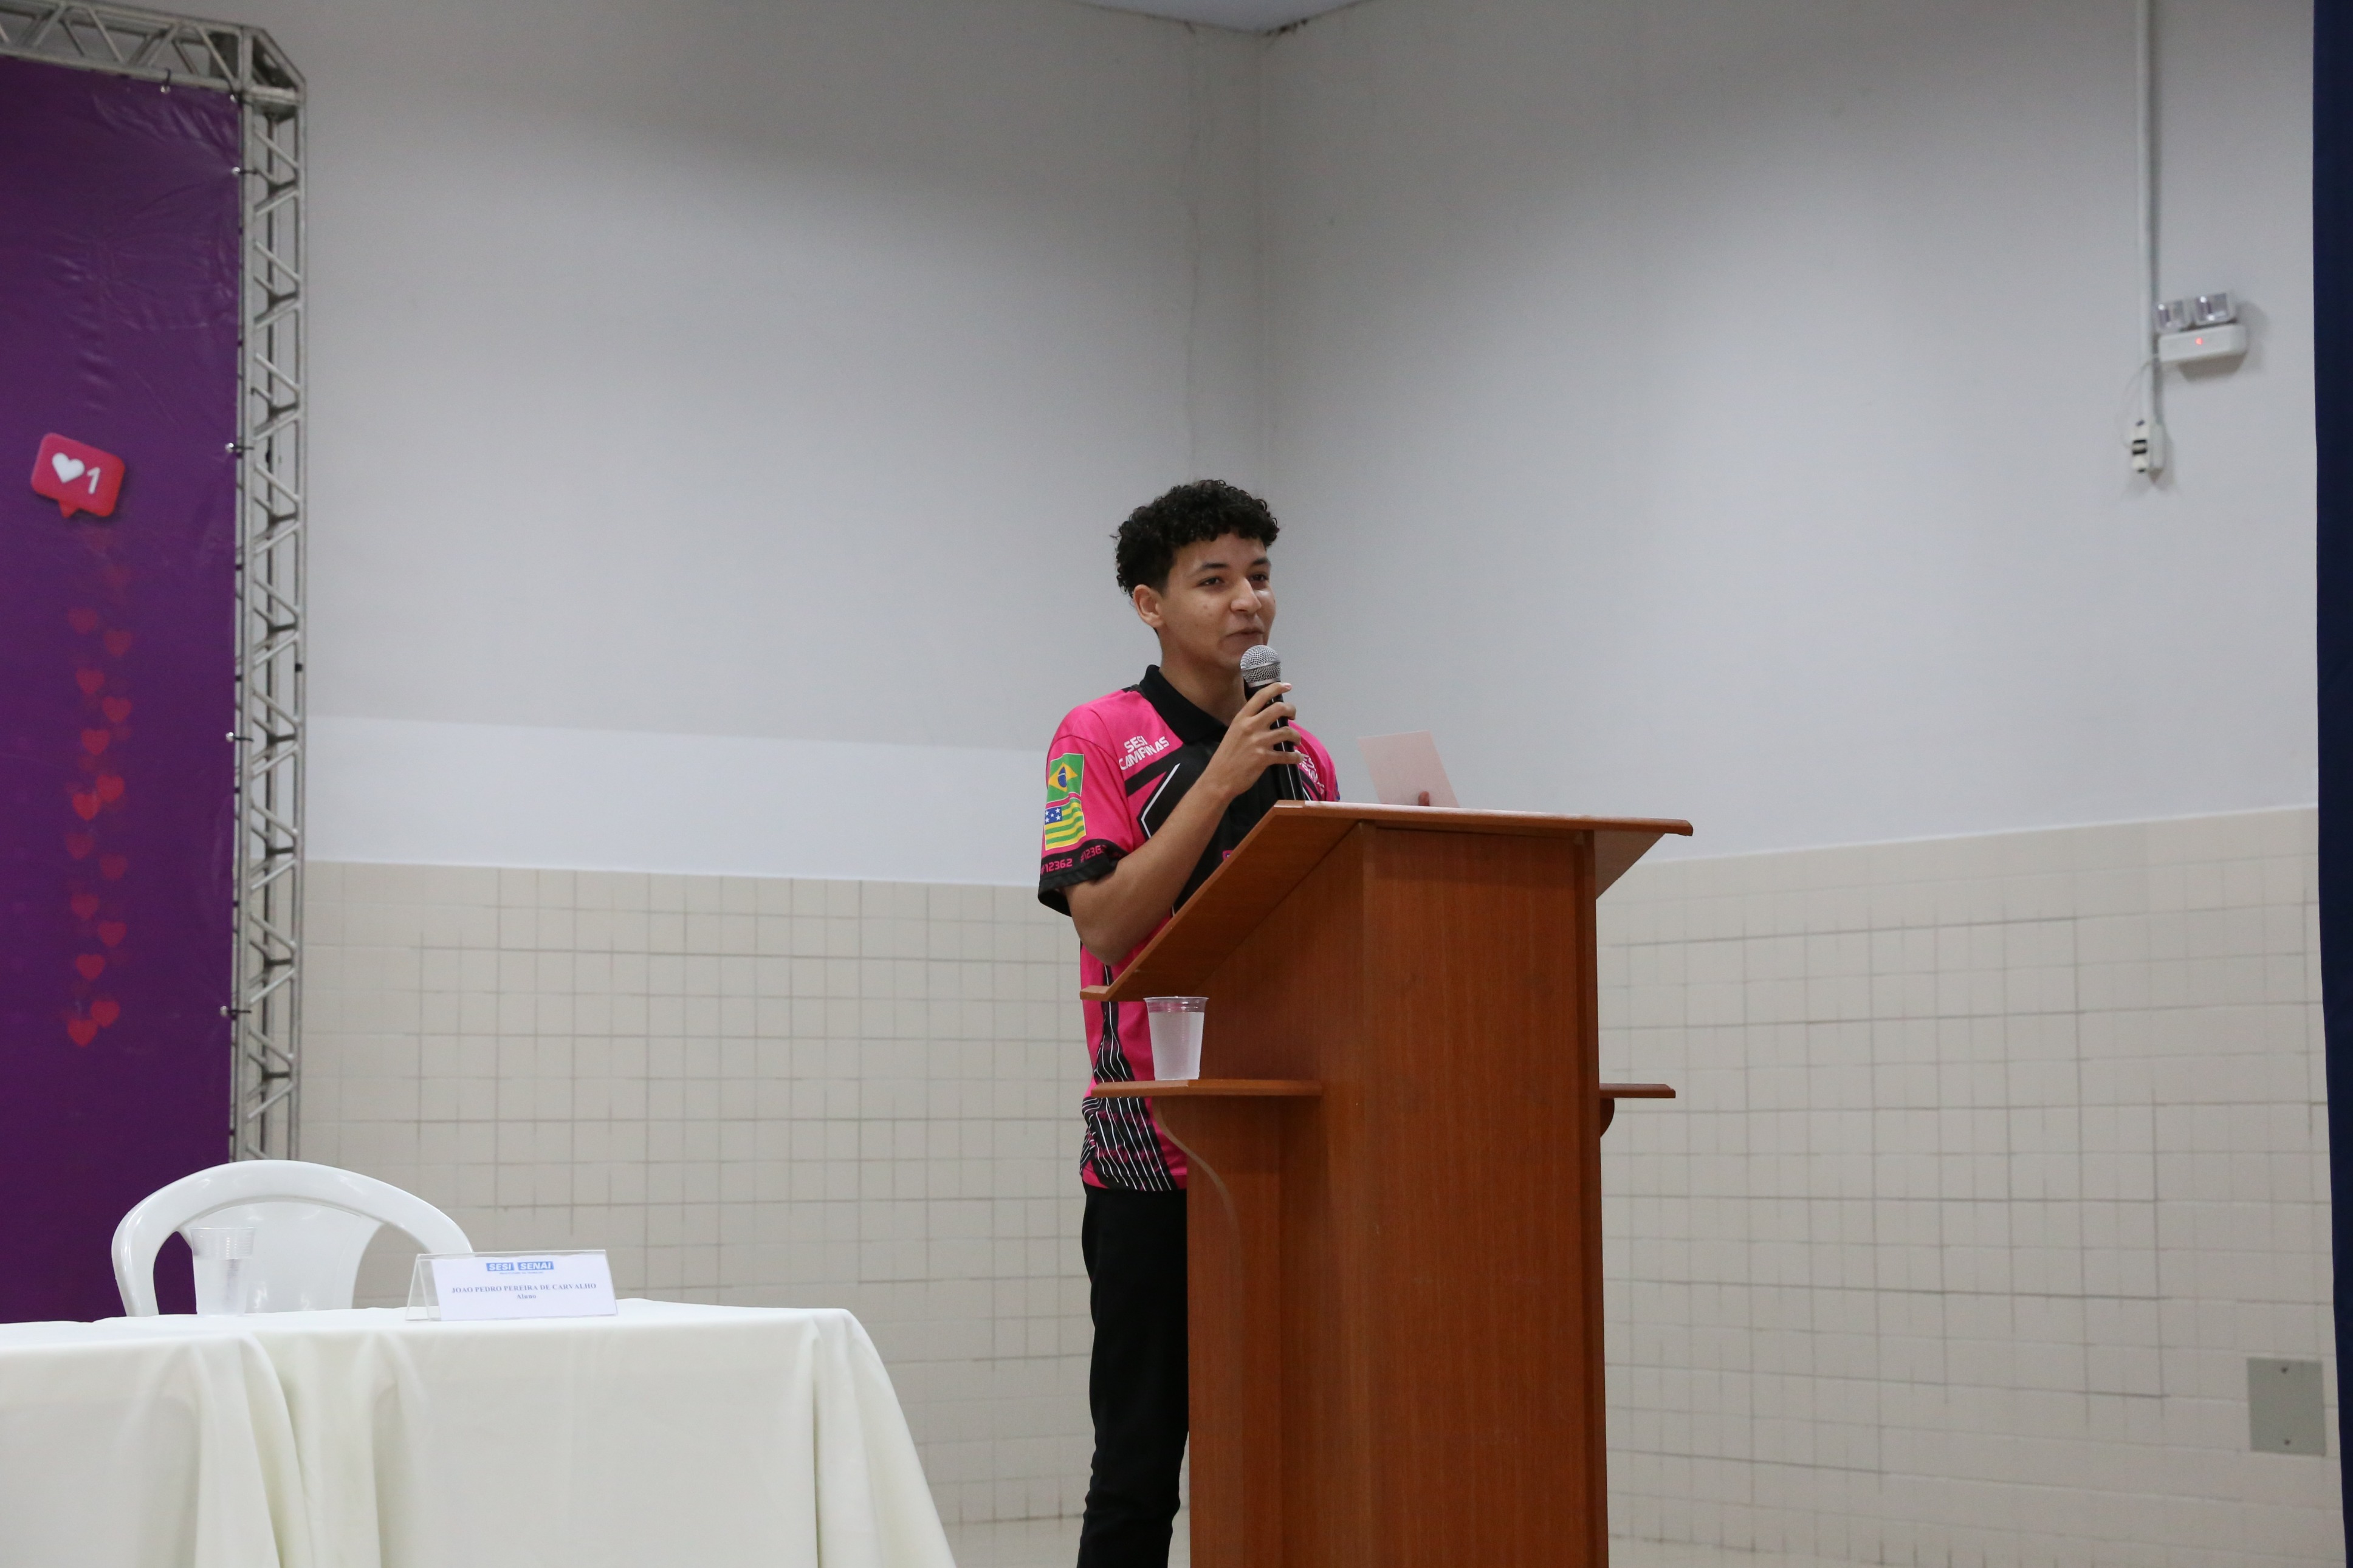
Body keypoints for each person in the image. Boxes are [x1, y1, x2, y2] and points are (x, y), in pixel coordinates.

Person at [1036, 480, 1339, 1568]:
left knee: (1286, 1450)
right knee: (1138, 1469)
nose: (1248, 600)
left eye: (1259, 575)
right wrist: (1217, 782)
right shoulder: (1098, 735)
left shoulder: (1307, 759)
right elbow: (1107, 921)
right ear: (1150, 605)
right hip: (1152, 1152)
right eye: (1214, 580)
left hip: (1289, 1142)